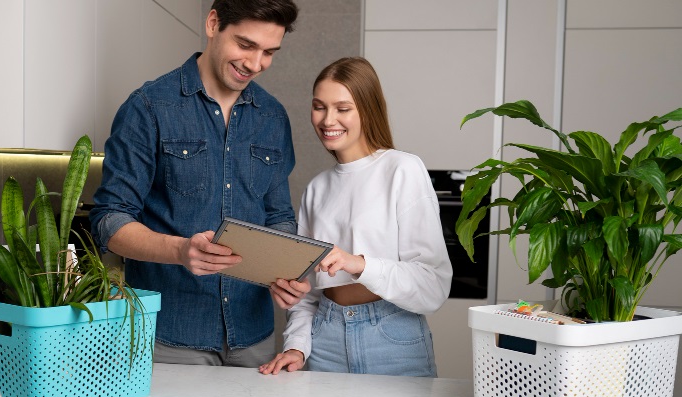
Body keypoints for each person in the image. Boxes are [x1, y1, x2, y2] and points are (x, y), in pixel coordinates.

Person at [89, 0, 306, 367]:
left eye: (269, 52)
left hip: (254, 335)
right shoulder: (148, 107)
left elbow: (279, 215)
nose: (255, 64)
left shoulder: (273, 116)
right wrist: (179, 251)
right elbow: (108, 220)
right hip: (170, 336)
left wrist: (286, 271)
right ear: (212, 23)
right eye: (246, 45)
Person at [259, 57, 452, 377]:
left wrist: (358, 263)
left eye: (342, 108)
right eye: (319, 106)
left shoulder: (402, 169)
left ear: (367, 109)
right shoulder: (316, 189)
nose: (327, 119)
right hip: (326, 340)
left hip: (392, 339)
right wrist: (296, 346)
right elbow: (308, 297)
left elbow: (433, 286)